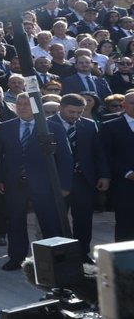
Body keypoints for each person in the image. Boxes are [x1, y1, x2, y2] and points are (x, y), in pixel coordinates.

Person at [0, 92, 74, 271]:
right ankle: (16, 258)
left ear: (36, 107)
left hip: (44, 185)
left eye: (27, 104)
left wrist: (64, 185)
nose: (23, 107)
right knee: (15, 221)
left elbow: (65, 157)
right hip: (14, 183)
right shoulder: (6, 127)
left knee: (49, 223)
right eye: (20, 104)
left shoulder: (52, 127)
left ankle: (54, 261)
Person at [52, 92, 110, 260]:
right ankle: (59, 255)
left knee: (84, 219)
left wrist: (104, 175)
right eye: (71, 112)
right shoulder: (46, 124)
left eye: (79, 112)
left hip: (83, 180)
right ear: (60, 108)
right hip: (57, 181)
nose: (75, 116)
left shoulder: (89, 125)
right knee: (57, 220)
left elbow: (98, 152)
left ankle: (83, 253)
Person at [100, 91, 134, 244]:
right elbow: (105, 155)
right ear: (123, 105)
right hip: (124, 184)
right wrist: (127, 173)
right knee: (125, 226)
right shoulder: (110, 126)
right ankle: (125, 258)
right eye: (133, 103)